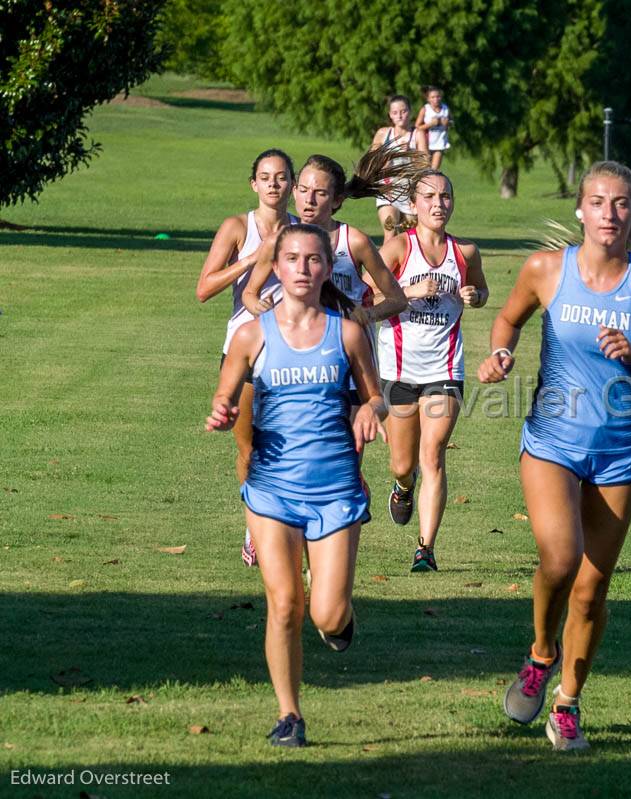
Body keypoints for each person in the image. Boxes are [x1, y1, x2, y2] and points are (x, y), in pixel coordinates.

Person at [477, 161, 631, 750]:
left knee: (591, 588)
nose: (610, 213)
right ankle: (539, 655)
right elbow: (506, 320)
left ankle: (567, 704)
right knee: (560, 558)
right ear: (581, 209)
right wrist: (501, 354)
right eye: (599, 202)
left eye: (622, 203)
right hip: (552, 442)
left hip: (620, 451)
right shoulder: (545, 270)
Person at [206, 224, 392, 747]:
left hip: (334, 487)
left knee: (326, 612)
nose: (303, 270)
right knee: (284, 602)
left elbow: (376, 396)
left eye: (313, 260)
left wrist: (370, 414)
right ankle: (289, 715)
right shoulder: (250, 334)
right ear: (276, 267)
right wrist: (222, 414)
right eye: (292, 259)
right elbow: (226, 397)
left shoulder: (348, 331)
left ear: (328, 266)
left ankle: (340, 622)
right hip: (271, 488)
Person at [374, 170, 487, 572]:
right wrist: (408, 292)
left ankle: (426, 549)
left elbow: (481, 292)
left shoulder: (466, 253)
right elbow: (369, 298)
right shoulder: (396, 249)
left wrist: (474, 296)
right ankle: (403, 487)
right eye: (430, 197)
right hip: (399, 369)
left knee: (433, 455)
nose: (438, 204)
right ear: (415, 205)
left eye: (445, 196)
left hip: (445, 367)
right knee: (403, 464)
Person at [195, 148, 298, 567]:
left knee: (290, 446)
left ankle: (285, 526)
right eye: (265, 176)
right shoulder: (238, 227)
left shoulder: (304, 230)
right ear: (254, 184)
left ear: (292, 185)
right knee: (250, 449)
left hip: (292, 353)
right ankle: (254, 525)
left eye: (281, 177)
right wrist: (251, 259)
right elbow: (204, 288)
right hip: (244, 351)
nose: (273, 183)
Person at [241, 151, 417, 332]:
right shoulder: (279, 240)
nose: (309, 200)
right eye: (303, 190)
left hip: (350, 353)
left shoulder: (355, 241)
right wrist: (260, 308)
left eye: (320, 193)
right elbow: (249, 293)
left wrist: (366, 316)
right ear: (294, 191)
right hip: (301, 349)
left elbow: (397, 300)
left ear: (336, 200)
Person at [370, 95, 418, 242]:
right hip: (387, 189)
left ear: (410, 111)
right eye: (395, 112)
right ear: (390, 115)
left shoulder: (417, 134)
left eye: (403, 111)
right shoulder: (383, 133)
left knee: (409, 236)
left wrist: (409, 152)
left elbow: (424, 165)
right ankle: (383, 265)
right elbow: (372, 160)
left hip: (409, 191)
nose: (400, 115)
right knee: (390, 232)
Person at [414, 86, 451, 170]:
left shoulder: (445, 108)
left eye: (438, 96)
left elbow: (451, 123)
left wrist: (447, 123)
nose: (436, 99)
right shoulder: (425, 109)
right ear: (428, 99)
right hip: (426, 143)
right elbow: (417, 126)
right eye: (433, 97)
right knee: (424, 169)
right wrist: (430, 124)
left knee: (434, 171)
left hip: (440, 143)